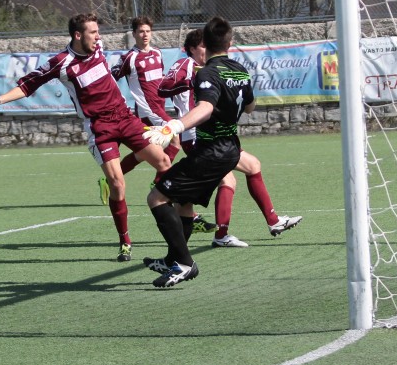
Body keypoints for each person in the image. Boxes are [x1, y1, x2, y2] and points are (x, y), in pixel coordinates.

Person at [0, 13, 172, 262]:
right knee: (117, 184)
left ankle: (177, 214)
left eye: (98, 32)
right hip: (99, 127)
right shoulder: (61, 63)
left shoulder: (97, 48)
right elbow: (29, 85)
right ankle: (125, 241)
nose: (98, 37)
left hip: (124, 117)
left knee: (164, 163)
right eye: (93, 32)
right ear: (78, 35)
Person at [155, 29, 301, 251]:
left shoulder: (212, 70)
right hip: (196, 136)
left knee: (250, 167)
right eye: (202, 46)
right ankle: (209, 240)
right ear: (192, 49)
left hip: (213, 136)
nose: (206, 50)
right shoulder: (187, 64)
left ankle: (268, 222)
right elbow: (164, 87)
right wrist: (190, 81)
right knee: (227, 181)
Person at [140, 16, 255, 288]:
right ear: (229, 43)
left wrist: (173, 126)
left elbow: (204, 108)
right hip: (229, 147)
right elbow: (250, 107)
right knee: (184, 203)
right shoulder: (240, 70)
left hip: (212, 151)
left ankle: (184, 263)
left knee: (156, 197)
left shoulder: (207, 72)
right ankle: (173, 259)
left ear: (205, 43)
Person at [108, 16, 216, 233]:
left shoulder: (157, 53)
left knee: (147, 153)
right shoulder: (130, 58)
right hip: (148, 111)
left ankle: (112, 176)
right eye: (140, 31)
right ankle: (161, 184)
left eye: (148, 31)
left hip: (159, 108)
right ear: (134, 34)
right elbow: (111, 78)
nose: (144, 35)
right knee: (174, 140)